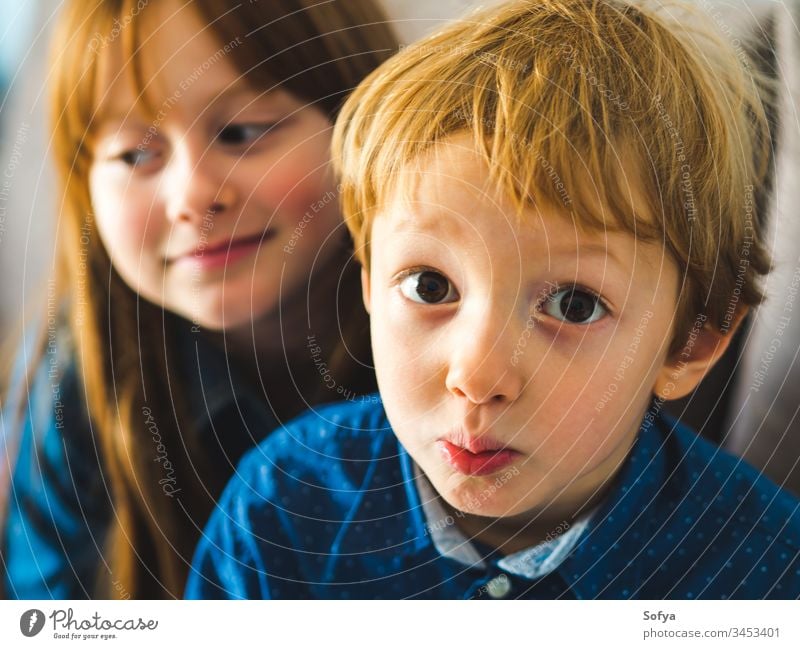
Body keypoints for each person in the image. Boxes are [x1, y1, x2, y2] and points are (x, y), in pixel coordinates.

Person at [186, 0, 800, 599]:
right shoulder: (283, 503)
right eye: (431, 287)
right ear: (370, 281)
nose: (475, 377)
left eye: (574, 305)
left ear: (690, 344)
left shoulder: (764, 570)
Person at [1, 0, 398, 599]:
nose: (192, 196)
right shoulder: (75, 382)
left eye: (242, 132)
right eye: (135, 155)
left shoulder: (469, 353)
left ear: (368, 120)